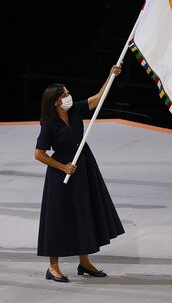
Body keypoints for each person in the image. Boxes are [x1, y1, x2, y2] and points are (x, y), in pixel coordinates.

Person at [34, 64, 125, 282]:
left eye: (67, 92)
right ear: (56, 101)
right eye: (64, 94)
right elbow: (39, 154)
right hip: (61, 174)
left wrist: (110, 75)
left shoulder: (74, 110)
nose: (68, 95)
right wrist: (63, 167)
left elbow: (98, 98)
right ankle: (53, 267)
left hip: (83, 167)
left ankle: (84, 263)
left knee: (84, 212)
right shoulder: (49, 124)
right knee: (57, 218)